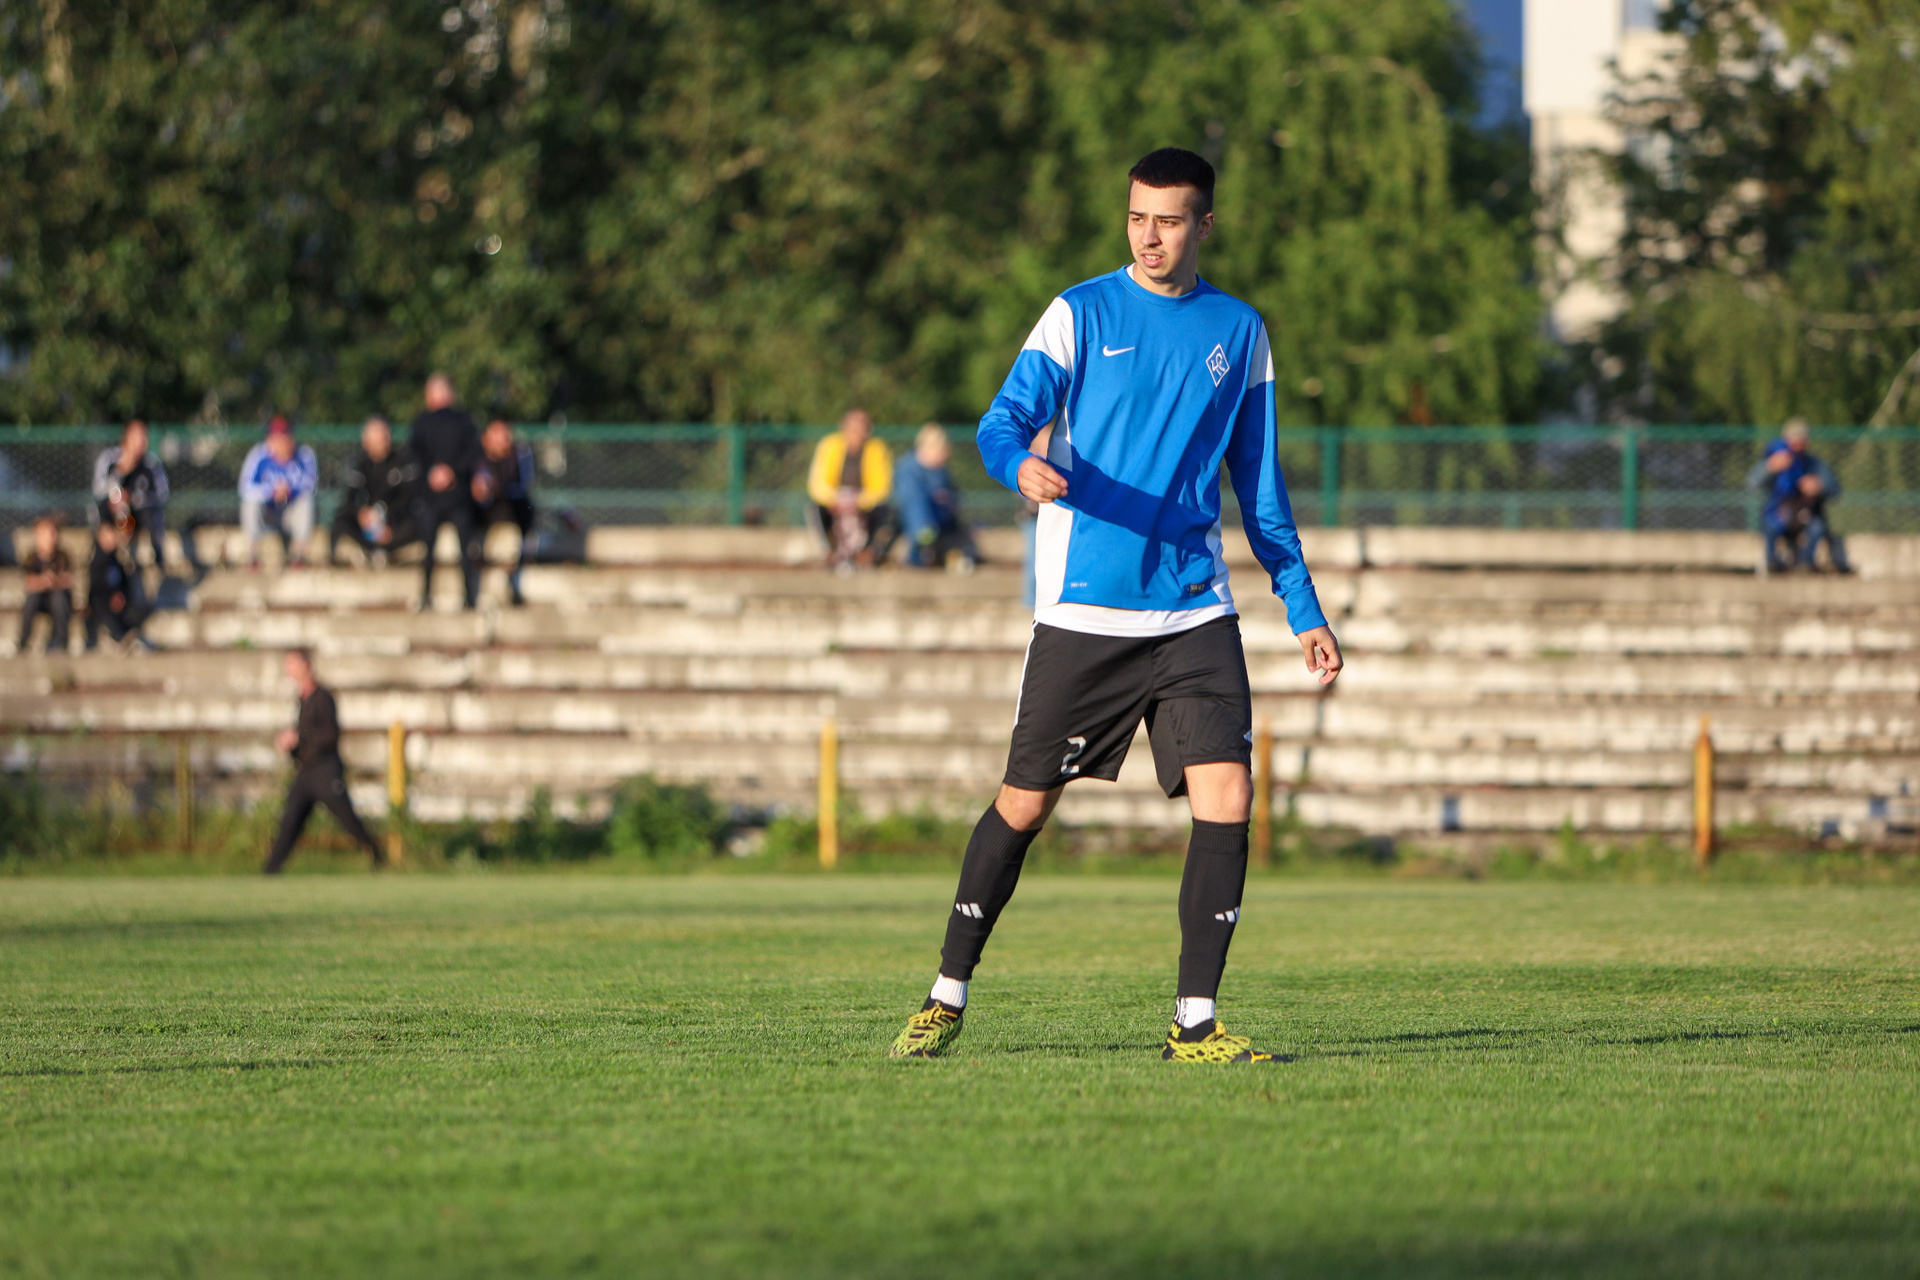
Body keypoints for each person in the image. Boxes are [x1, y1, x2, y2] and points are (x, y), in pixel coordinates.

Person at [887, 148, 1343, 1065]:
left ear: (1204, 225)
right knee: (1024, 805)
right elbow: (999, 422)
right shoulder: (1080, 311)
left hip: (1194, 610)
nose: (1149, 236)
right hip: (1085, 613)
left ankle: (1194, 1023)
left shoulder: (1241, 331)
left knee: (1228, 795)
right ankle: (945, 996)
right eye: (1137, 217)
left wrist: (1302, 604)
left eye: (1169, 220)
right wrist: (1017, 464)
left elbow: (1258, 484)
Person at [264, 648, 385, 874]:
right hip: (306, 772)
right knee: (290, 820)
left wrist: (299, 738)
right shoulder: (302, 700)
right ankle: (270, 870)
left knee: (348, 819)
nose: (288, 669)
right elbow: (305, 734)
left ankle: (377, 856)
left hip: (325, 771)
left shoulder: (323, 698)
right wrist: (291, 744)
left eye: (292, 664)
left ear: (306, 665)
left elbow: (330, 734)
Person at [409, 373, 484, 609]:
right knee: (431, 549)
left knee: (462, 549)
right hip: (436, 497)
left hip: (455, 497)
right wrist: (440, 472)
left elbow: (472, 454)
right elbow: (415, 455)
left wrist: (446, 472)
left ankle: (466, 597)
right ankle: (432, 596)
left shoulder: (461, 421)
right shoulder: (424, 422)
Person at [1749, 418, 1849, 573]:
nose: (1797, 445)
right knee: (1769, 523)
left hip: (1805, 514)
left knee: (1817, 527)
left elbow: (1835, 490)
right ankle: (1772, 562)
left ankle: (1806, 564)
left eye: (1801, 440)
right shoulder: (1774, 460)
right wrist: (1769, 468)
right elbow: (1752, 483)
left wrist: (1819, 486)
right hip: (1779, 513)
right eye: (1793, 440)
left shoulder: (1814, 464)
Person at [806, 408, 895, 570]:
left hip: (864, 506)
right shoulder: (829, 446)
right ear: (843, 428)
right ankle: (830, 552)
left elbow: (881, 488)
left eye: (861, 428)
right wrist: (835, 499)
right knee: (814, 509)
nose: (857, 433)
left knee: (886, 512)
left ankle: (869, 554)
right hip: (835, 504)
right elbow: (817, 483)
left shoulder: (877, 449)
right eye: (853, 428)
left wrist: (858, 501)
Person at [330, 414, 419, 567]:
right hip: (369, 524)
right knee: (341, 519)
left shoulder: (401, 462)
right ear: (366, 442)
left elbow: (407, 498)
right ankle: (367, 551)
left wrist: (389, 523)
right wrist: (361, 513)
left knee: (418, 520)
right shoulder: (359, 464)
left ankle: (388, 551)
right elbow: (350, 498)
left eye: (385, 437)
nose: (383, 443)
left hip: (394, 524)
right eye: (377, 439)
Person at [893, 423, 980, 571]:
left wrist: (948, 500)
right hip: (916, 521)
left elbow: (955, 498)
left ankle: (929, 545)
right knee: (918, 504)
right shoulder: (908, 468)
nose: (946, 455)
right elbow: (909, 499)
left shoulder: (941, 471)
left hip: (941, 520)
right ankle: (924, 543)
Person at [238, 416, 320, 570]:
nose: (283, 442)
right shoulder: (259, 455)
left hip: (291, 512)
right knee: (250, 503)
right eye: (277, 438)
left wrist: (290, 490)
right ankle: (253, 556)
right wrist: (271, 491)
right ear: (270, 440)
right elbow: (245, 487)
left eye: (286, 437)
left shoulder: (304, 454)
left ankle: (299, 556)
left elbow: (311, 484)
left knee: (306, 501)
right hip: (268, 513)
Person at [90, 419, 170, 572]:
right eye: (137, 436)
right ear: (126, 437)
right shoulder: (109, 459)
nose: (141, 441)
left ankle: (158, 560)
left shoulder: (151, 464)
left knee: (151, 515)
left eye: (143, 437)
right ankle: (102, 563)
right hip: (113, 515)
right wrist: (121, 471)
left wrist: (134, 498)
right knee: (105, 510)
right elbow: (98, 490)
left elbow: (162, 494)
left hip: (139, 516)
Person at [472, 417, 536, 606]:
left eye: (505, 436)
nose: (503, 441)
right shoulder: (474, 458)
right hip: (480, 521)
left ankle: (508, 590)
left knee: (509, 547)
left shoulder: (517, 458)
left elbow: (521, 489)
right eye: (498, 435)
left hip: (507, 519)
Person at [84, 522, 154, 652]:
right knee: (103, 606)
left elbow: (125, 584)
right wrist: (112, 596)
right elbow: (96, 589)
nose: (111, 539)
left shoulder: (118, 559)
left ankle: (130, 636)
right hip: (102, 603)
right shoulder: (97, 561)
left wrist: (121, 595)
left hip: (120, 602)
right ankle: (119, 636)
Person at [16, 514, 74, 655]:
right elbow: (28, 582)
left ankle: (60, 642)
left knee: (59, 599)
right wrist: (43, 581)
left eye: (53, 533)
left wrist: (54, 581)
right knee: (31, 599)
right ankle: (23, 641)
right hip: (40, 598)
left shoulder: (62, 556)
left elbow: (68, 580)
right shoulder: (32, 557)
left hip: (57, 599)